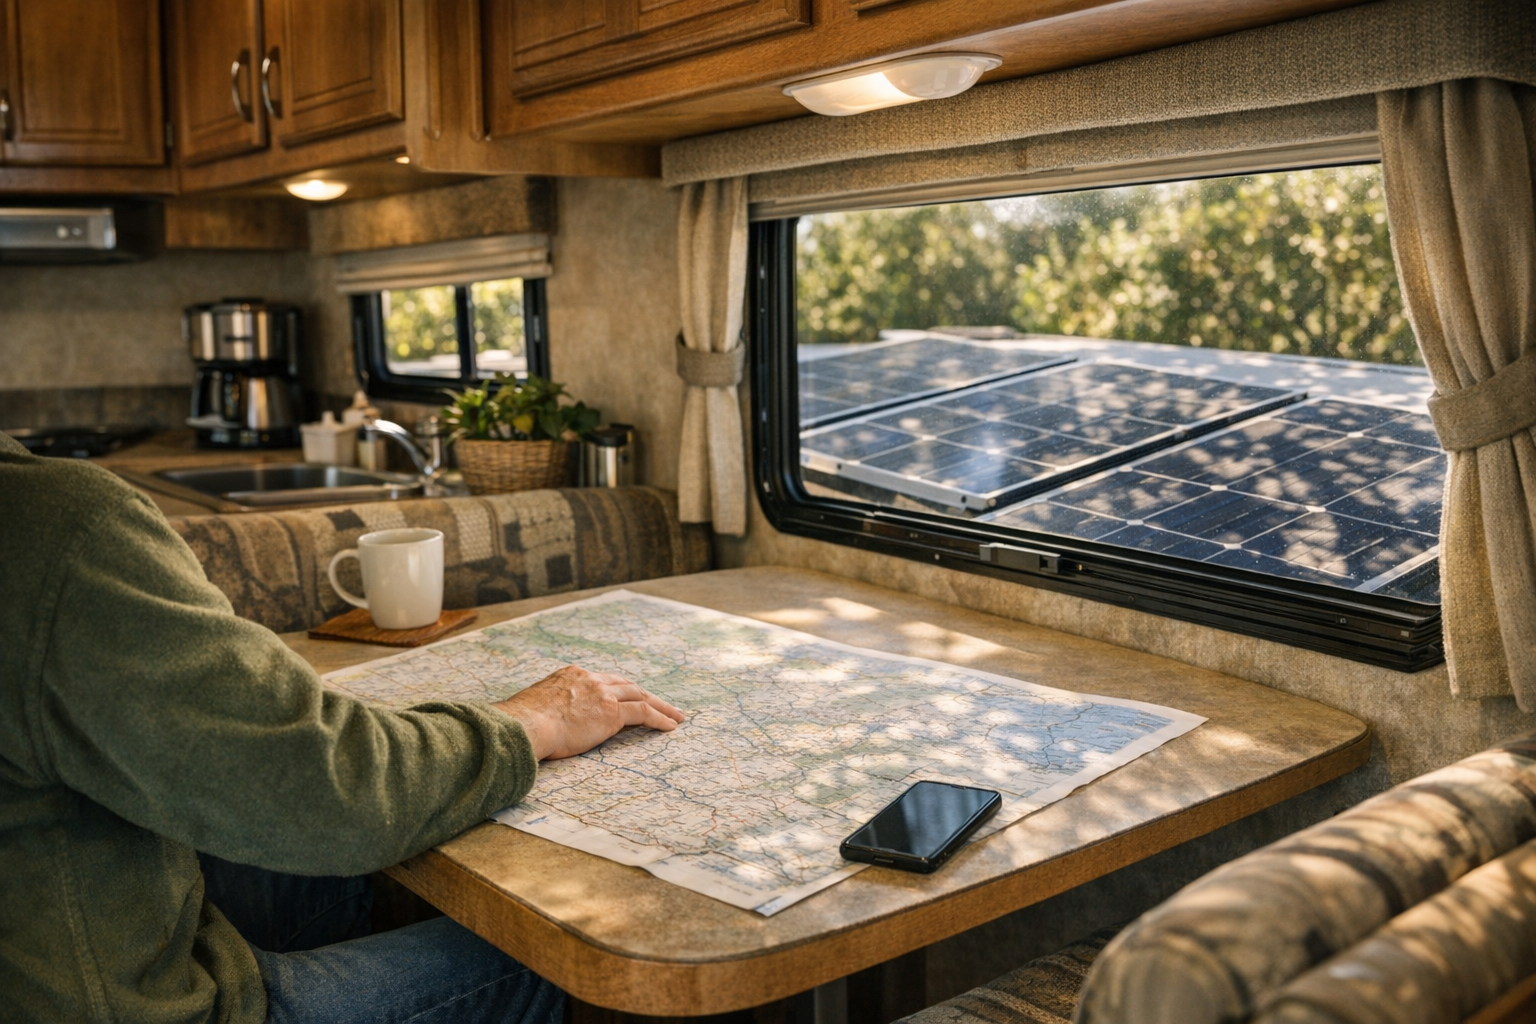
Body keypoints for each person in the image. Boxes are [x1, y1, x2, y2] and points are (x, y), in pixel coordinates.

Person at [0, 430, 686, 1024]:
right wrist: (529, 722)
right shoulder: (51, 524)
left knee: (341, 875)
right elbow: (325, 789)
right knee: (561, 961)